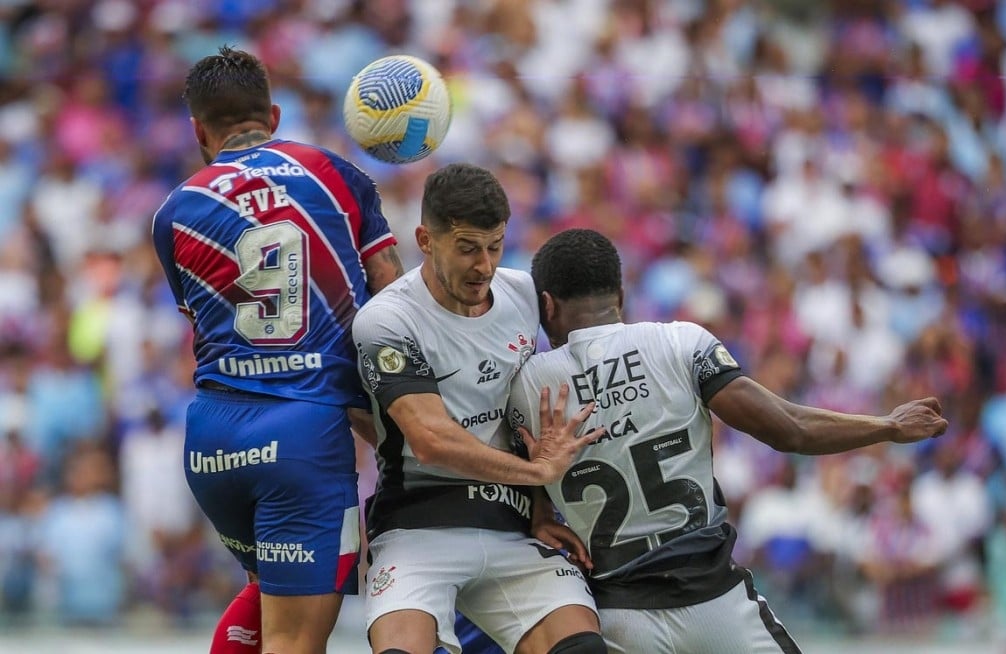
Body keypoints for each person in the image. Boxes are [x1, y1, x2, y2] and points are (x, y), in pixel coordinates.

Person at [508, 228, 949, 654]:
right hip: (716, 604)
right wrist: (886, 425)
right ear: (620, 296)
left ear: (546, 307)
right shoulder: (680, 343)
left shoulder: (526, 386)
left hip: (618, 618)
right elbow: (789, 428)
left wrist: (541, 506)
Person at [151, 46, 404, 654]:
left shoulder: (173, 213)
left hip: (212, 442)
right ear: (275, 113)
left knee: (268, 603)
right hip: (303, 441)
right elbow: (397, 302)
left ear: (197, 130)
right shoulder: (335, 173)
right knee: (293, 639)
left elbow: (210, 325)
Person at [351, 162, 608, 654]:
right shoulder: (387, 320)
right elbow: (430, 440)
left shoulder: (523, 294)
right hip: (416, 526)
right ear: (426, 240)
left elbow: (531, 410)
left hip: (511, 525)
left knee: (583, 649)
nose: (485, 266)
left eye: (495, 246)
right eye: (467, 248)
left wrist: (540, 506)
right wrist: (537, 475)